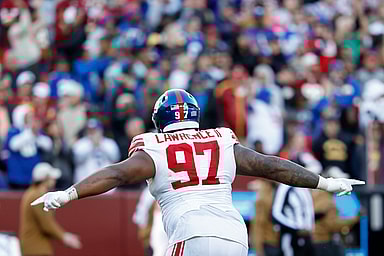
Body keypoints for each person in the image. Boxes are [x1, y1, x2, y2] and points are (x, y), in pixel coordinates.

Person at [31, 89, 365, 256]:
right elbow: (271, 165)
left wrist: (68, 193)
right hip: (235, 238)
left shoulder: (154, 147)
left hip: (191, 234)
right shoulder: (222, 141)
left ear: (159, 120)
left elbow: (116, 175)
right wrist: (325, 182)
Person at [20, 162, 82, 256]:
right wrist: (64, 237)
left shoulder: (30, 193)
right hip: (37, 249)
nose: (54, 180)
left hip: (32, 247)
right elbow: (46, 224)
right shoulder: (38, 195)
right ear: (45, 179)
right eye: (52, 178)